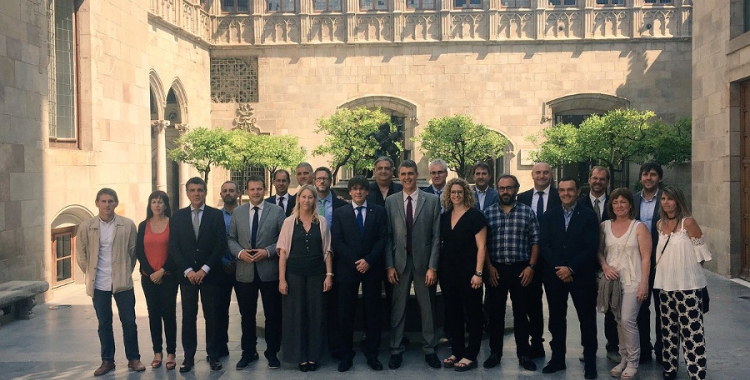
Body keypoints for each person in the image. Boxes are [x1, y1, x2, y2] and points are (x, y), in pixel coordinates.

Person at [76, 188, 145, 376]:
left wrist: (124, 271)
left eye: (111, 201)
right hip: (99, 283)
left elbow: (133, 252)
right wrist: (90, 272)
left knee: (129, 322)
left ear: (116, 203)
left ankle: (134, 358)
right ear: (97, 203)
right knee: (104, 323)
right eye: (104, 201)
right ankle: (107, 360)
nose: (107, 205)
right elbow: (82, 255)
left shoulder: (127, 225)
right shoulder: (86, 226)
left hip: (122, 281)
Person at [539, 177, 599, 380]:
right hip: (555, 276)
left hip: (581, 275)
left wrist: (571, 268)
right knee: (556, 319)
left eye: (570, 190)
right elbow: (544, 245)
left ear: (578, 191)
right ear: (558, 192)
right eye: (562, 190)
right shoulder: (549, 215)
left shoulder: (589, 216)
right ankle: (557, 359)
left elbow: (591, 247)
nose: (566, 193)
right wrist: (560, 268)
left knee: (587, 320)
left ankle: (590, 363)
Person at [384, 160, 442, 369]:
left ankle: (430, 348)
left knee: (427, 308)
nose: (407, 177)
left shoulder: (432, 201)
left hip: (423, 263)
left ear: (417, 175)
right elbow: (388, 236)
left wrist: (432, 267)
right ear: (398, 176)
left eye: (411, 173)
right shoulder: (391, 201)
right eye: (403, 174)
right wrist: (389, 265)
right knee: (397, 308)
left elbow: (436, 236)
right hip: (399, 262)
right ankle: (396, 349)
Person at [169, 177, 227, 372]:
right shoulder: (177, 217)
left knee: (212, 316)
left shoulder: (215, 215)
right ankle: (188, 357)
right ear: (187, 193)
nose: (196, 193)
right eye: (192, 190)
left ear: (205, 192)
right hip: (187, 277)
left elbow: (220, 245)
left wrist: (204, 269)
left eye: (200, 190)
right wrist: (188, 271)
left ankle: (213, 354)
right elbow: (174, 247)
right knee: (188, 317)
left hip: (210, 275)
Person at [482, 175, 540, 372]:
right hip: (495, 269)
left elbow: (535, 241)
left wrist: (531, 267)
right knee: (495, 313)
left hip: (520, 269)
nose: (505, 192)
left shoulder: (527, 212)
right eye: (501, 188)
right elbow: (483, 244)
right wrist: (488, 267)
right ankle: (495, 353)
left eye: (509, 188)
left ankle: (523, 354)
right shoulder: (488, 213)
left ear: (516, 189)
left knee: (521, 313)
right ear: (497, 190)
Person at [228, 176, 286, 370]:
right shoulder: (238, 212)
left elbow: (283, 238)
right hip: (245, 272)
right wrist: (240, 252)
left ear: (265, 189)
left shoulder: (277, 211)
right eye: (252, 189)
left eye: (259, 189)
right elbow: (231, 239)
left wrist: (268, 251)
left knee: (272, 315)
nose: (255, 192)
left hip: (269, 271)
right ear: (246, 190)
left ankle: (272, 353)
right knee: (247, 315)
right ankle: (248, 353)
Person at [331, 176, 388, 372]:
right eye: (354, 189)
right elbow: (337, 241)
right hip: (348, 269)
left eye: (361, 189)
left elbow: (382, 238)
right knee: (346, 314)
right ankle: (346, 354)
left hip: (371, 269)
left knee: (373, 313)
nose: (358, 192)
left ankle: (372, 354)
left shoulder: (379, 211)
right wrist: (355, 262)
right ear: (350, 192)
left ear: (367, 191)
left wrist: (368, 261)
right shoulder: (340, 213)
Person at [654, 186, 710, 380]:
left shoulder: (688, 223)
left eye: (670, 198)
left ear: (678, 200)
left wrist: (686, 272)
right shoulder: (659, 224)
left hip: (688, 287)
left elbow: (701, 255)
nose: (666, 202)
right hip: (665, 285)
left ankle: (696, 372)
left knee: (692, 332)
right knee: (668, 331)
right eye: (663, 199)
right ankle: (670, 368)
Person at [277, 185, 334, 372]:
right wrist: (282, 279)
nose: (307, 200)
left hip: (317, 275)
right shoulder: (289, 222)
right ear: (298, 199)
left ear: (315, 200)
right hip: (294, 275)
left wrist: (329, 275)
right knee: (296, 316)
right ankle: (300, 356)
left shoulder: (322, 222)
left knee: (316, 315)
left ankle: (313, 355)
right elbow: (283, 252)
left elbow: (327, 251)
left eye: (310, 197)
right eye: (304, 197)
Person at [596, 188, 652, 379]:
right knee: (619, 321)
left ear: (630, 205)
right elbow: (599, 252)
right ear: (611, 205)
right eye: (615, 202)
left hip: (633, 280)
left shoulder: (639, 227)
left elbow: (646, 258)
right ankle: (624, 359)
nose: (619, 206)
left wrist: (644, 283)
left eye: (623, 202)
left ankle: (633, 362)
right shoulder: (604, 226)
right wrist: (604, 267)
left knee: (628, 320)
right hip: (612, 283)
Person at [439, 178, 487, 372]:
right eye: (453, 192)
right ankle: (457, 350)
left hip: (470, 274)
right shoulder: (445, 217)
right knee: (453, 314)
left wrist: (478, 273)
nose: (456, 195)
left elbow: (482, 246)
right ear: (448, 195)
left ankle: (471, 354)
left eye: (460, 192)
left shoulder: (476, 217)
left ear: (466, 193)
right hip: (448, 274)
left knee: (474, 314)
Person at [579, 166, 620, 362]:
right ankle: (588, 349)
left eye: (602, 179)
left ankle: (613, 347)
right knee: (587, 310)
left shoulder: (616, 204)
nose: (598, 182)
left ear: (607, 181)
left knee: (612, 308)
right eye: (595, 178)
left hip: (610, 264)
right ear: (589, 179)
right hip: (585, 265)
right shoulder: (579, 203)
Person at [518, 162, 559, 358]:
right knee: (532, 303)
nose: (542, 176)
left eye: (546, 172)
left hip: (554, 260)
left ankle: (558, 347)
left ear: (551, 175)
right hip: (529, 259)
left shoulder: (561, 196)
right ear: (532, 175)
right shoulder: (522, 198)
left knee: (556, 305)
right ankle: (536, 343)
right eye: (538, 173)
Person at [135, 191, 178, 370]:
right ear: (149, 204)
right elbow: (139, 250)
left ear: (166, 205)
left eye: (161, 202)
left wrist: (162, 270)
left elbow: (175, 250)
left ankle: (171, 353)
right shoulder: (143, 225)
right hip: (148, 277)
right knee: (153, 314)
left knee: (168, 314)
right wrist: (152, 272)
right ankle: (157, 353)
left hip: (168, 276)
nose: (157, 205)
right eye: (154, 202)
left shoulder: (173, 224)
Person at [313, 166, 348, 360]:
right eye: (319, 178)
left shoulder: (341, 205)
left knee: (335, 305)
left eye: (325, 178)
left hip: (336, 260)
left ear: (331, 180)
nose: (322, 181)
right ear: (314, 180)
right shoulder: (306, 202)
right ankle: (316, 344)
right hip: (312, 260)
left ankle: (335, 346)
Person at [634, 161, 664, 363]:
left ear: (659, 178)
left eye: (653, 174)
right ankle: (644, 348)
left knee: (663, 309)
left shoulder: (667, 199)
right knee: (640, 308)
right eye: (645, 174)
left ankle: (663, 350)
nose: (648, 178)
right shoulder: (633, 200)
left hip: (662, 261)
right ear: (640, 178)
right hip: (638, 262)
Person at [215, 181, 240, 360]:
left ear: (238, 193)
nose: (228, 193)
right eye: (225, 191)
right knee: (220, 310)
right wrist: (223, 261)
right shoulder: (215, 216)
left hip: (242, 267)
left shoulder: (245, 213)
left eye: (231, 190)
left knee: (246, 310)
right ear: (221, 194)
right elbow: (213, 242)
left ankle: (249, 349)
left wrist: (238, 260)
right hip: (220, 268)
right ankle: (220, 346)